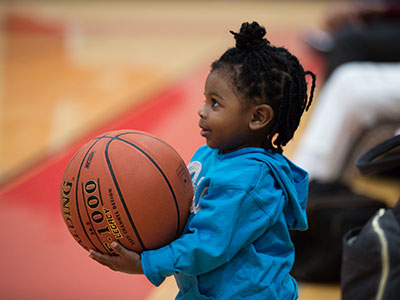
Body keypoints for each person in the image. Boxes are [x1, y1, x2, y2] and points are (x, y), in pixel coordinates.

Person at [89, 21, 316, 300]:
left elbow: (208, 245)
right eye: (205, 99)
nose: (201, 111)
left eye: (215, 103)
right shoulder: (208, 154)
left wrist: (147, 263)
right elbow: (183, 214)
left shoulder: (248, 182)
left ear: (257, 117)